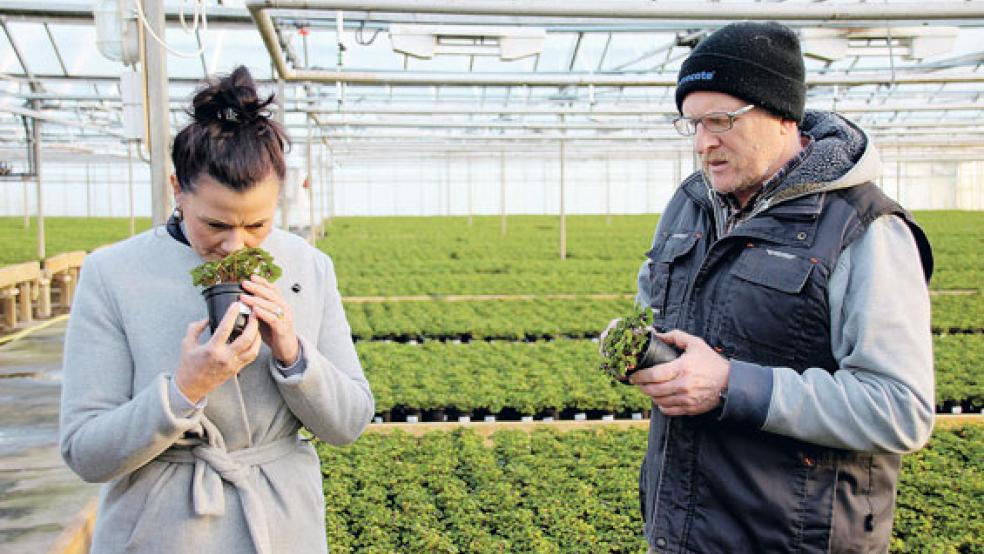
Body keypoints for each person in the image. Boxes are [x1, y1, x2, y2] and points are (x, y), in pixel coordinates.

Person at [626, 22, 935, 553]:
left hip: (792, 537)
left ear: (782, 115)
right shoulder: (690, 204)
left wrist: (729, 385)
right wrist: (643, 351)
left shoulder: (863, 228)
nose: (703, 143)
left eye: (720, 121)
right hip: (682, 531)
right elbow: (655, 310)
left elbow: (899, 408)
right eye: (693, 124)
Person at [59, 66, 374, 553]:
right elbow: (86, 452)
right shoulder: (113, 273)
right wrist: (184, 390)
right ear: (177, 190)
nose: (236, 245)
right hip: (162, 530)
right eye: (215, 225)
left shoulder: (308, 266)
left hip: (281, 526)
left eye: (257, 225)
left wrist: (293, 354)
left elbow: (350, 422)